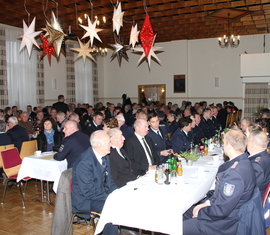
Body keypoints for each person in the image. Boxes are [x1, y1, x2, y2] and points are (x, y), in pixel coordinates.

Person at [183, 129, 256, 235]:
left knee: (179, 227)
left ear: (229, 146)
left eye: (224, 143)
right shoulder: (243, 162)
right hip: (226, 211)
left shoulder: (235, 174)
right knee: (185, 212)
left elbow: (221, 210)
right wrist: (207, 203)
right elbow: (222, 197)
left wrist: (200, 211)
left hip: (224, 224)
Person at [72, 130, 118, 235]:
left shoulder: (104, 155)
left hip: (99, 194)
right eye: (108, 143)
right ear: (100, 146)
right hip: (85, 200)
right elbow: (88, 193)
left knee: (123, 200)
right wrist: (109, 197)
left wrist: (118, 192)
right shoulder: (84, 162)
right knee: (111, 209)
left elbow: (109, 180)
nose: (111, 145)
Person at [247, 130, 270, 198]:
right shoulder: (265, 156)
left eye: (248, 140)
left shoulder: (256, 165)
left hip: (254, 201)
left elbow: (249, 189)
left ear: (252, 144)